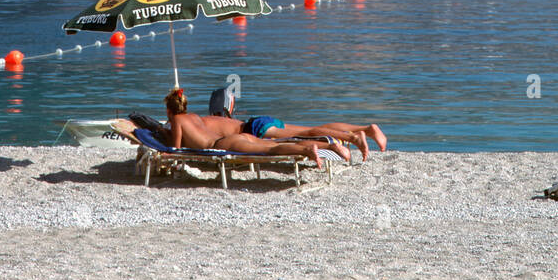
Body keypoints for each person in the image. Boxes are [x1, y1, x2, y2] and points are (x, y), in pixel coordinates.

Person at [154, 88, 351, 166]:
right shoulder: (196, 116)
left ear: (169, 110)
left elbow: (176, 149)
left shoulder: (176, 121)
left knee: (272, 149)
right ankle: (329, 146)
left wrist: (163, 136)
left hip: (225, 146)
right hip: (232, 138)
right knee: (273, 143)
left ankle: (309, 149)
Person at [200, 86, 387, 159]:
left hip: (255, 128)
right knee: (312, 129)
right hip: (260, 122)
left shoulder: (203, 125)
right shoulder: (216, 119)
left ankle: (352, 138)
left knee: (303, 136)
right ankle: (366, 130)